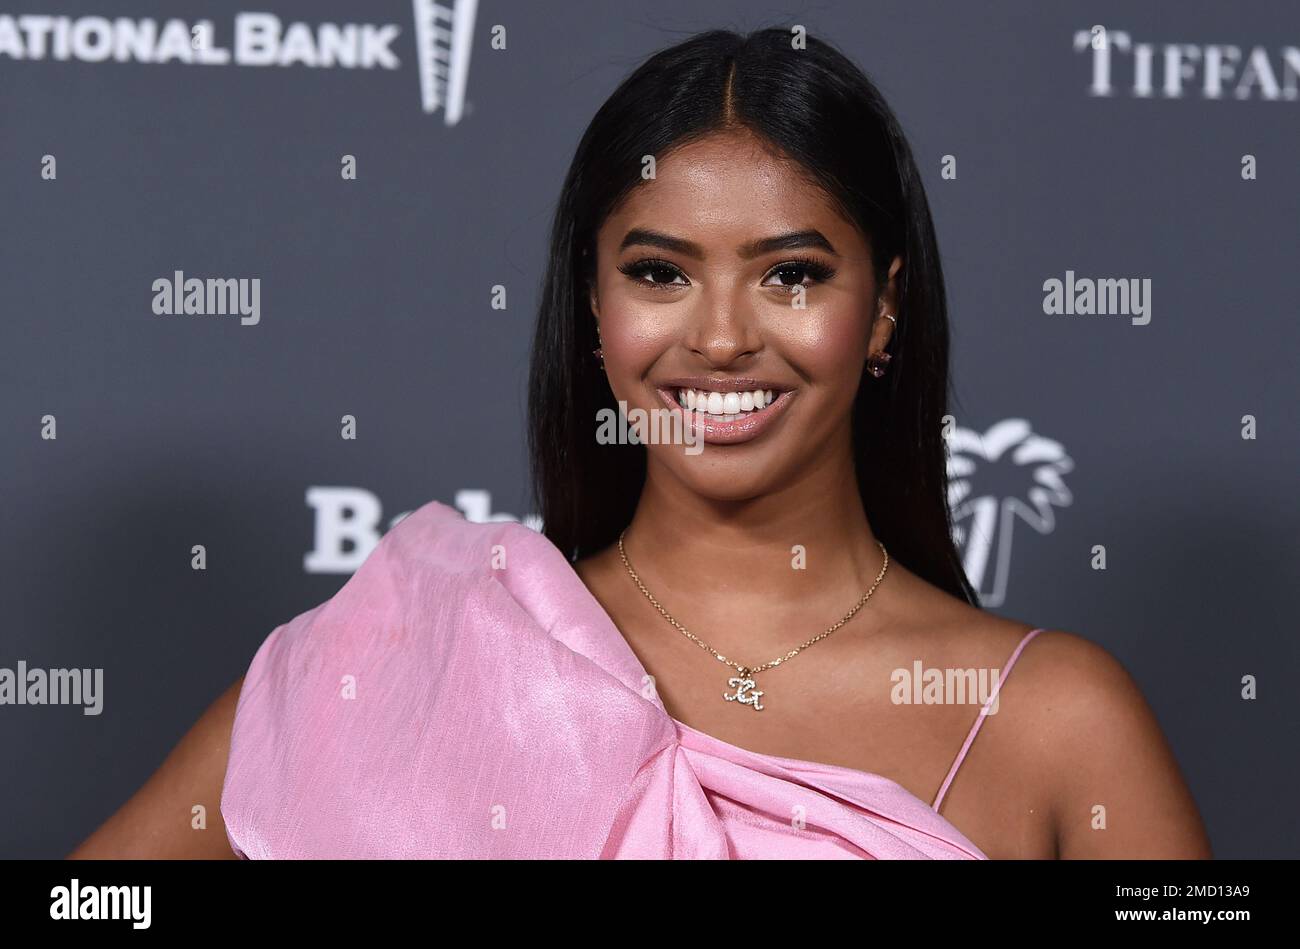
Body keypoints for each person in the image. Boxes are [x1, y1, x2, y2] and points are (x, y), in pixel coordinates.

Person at [70, 27, 1211, 860]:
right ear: (594, 310)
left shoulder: (1057, 717)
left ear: (884, 311)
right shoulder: (417, 648)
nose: (719, 337)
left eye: (791, 275)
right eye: (658, 273)